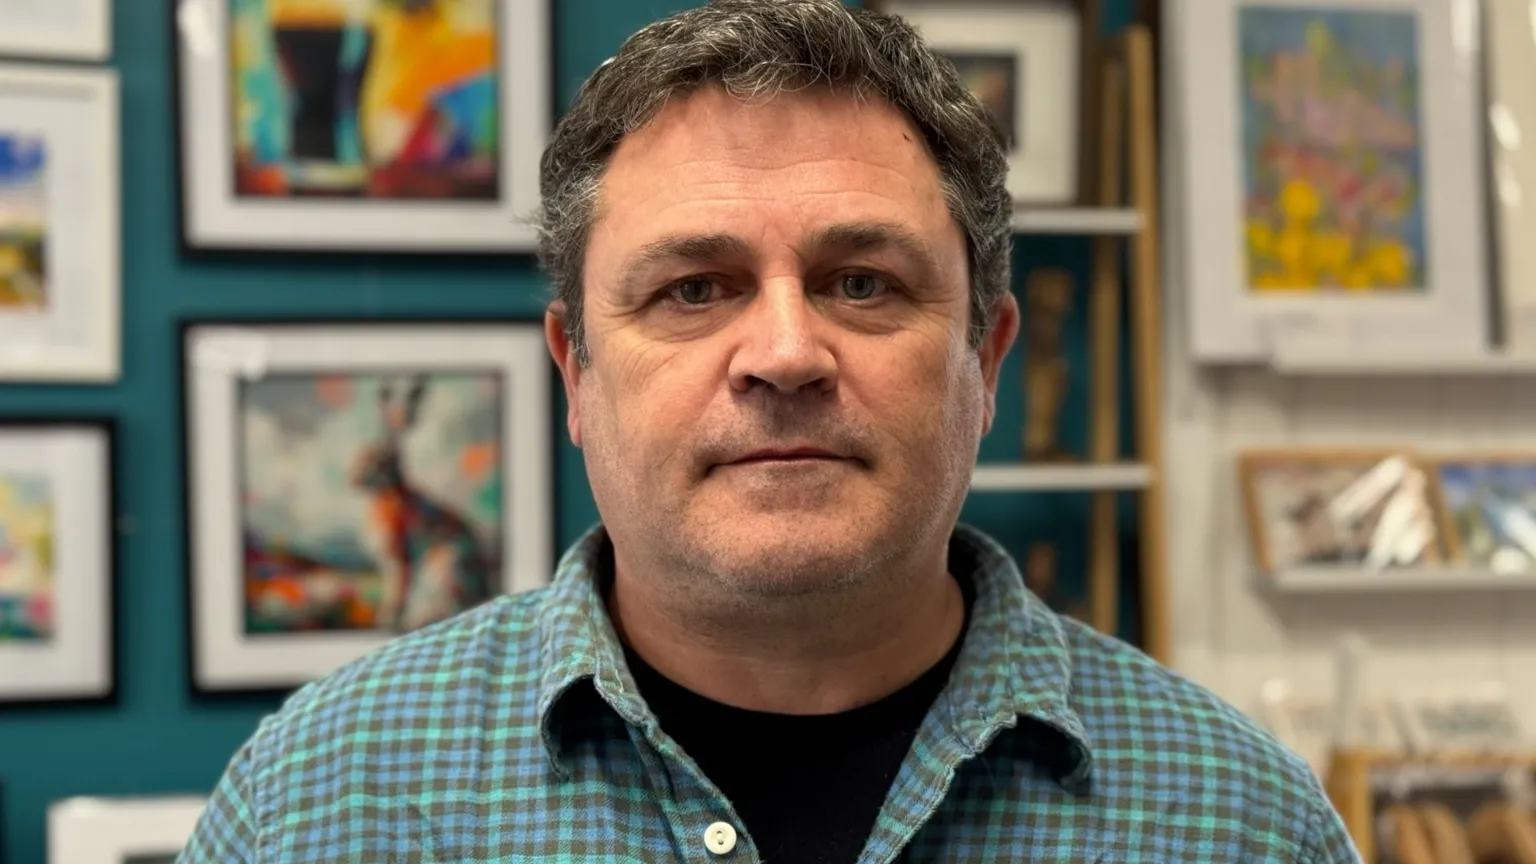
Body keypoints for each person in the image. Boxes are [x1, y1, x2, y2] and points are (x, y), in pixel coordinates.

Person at [179, 1, 1362, 861]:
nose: (786, 354)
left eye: (862, 284)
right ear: (576, 375)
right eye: (694, 289)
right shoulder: (321, 802)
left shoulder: (1243, 821)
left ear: (985, 362)